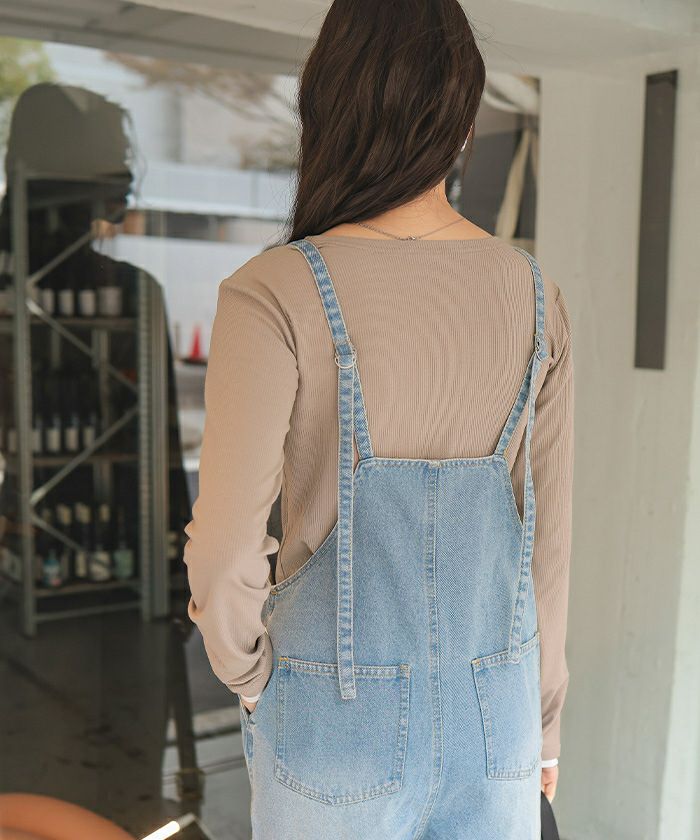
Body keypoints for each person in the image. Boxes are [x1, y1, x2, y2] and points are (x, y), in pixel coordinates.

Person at [183, 1, 573, 837]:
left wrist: (252, 682)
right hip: (497, 719)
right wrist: (544, 723)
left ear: (325, 108)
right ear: (463, 122)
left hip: (330, 718)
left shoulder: (274, 290)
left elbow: (222, 554)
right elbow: (548, 544)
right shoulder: (536, 295)